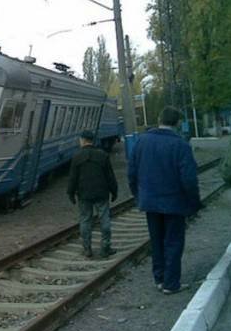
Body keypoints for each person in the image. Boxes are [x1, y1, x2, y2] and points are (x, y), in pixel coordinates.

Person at [128, 107, 202, 295]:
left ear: (159, 119)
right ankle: (171, 284)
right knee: (173, 243)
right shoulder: (181, 145)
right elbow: (189, 179)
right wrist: (194, 203)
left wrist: (138, 196)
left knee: (157, 241)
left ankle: (159, 278)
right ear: (177, 123)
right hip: (174, 203)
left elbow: (132, 173)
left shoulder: (141, 141)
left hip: (150, 203)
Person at [67, 130, 118, 258]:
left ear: (83, 140)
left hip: (84, 194)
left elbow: (73, 178)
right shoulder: (102, 155)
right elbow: (110, 176)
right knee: (104, 219)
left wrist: (71, 194)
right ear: (93, 141)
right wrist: (114, 191)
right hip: (101, 193)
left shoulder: (76, 157)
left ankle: (87, 249)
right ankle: (106, 247)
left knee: (85, 220)